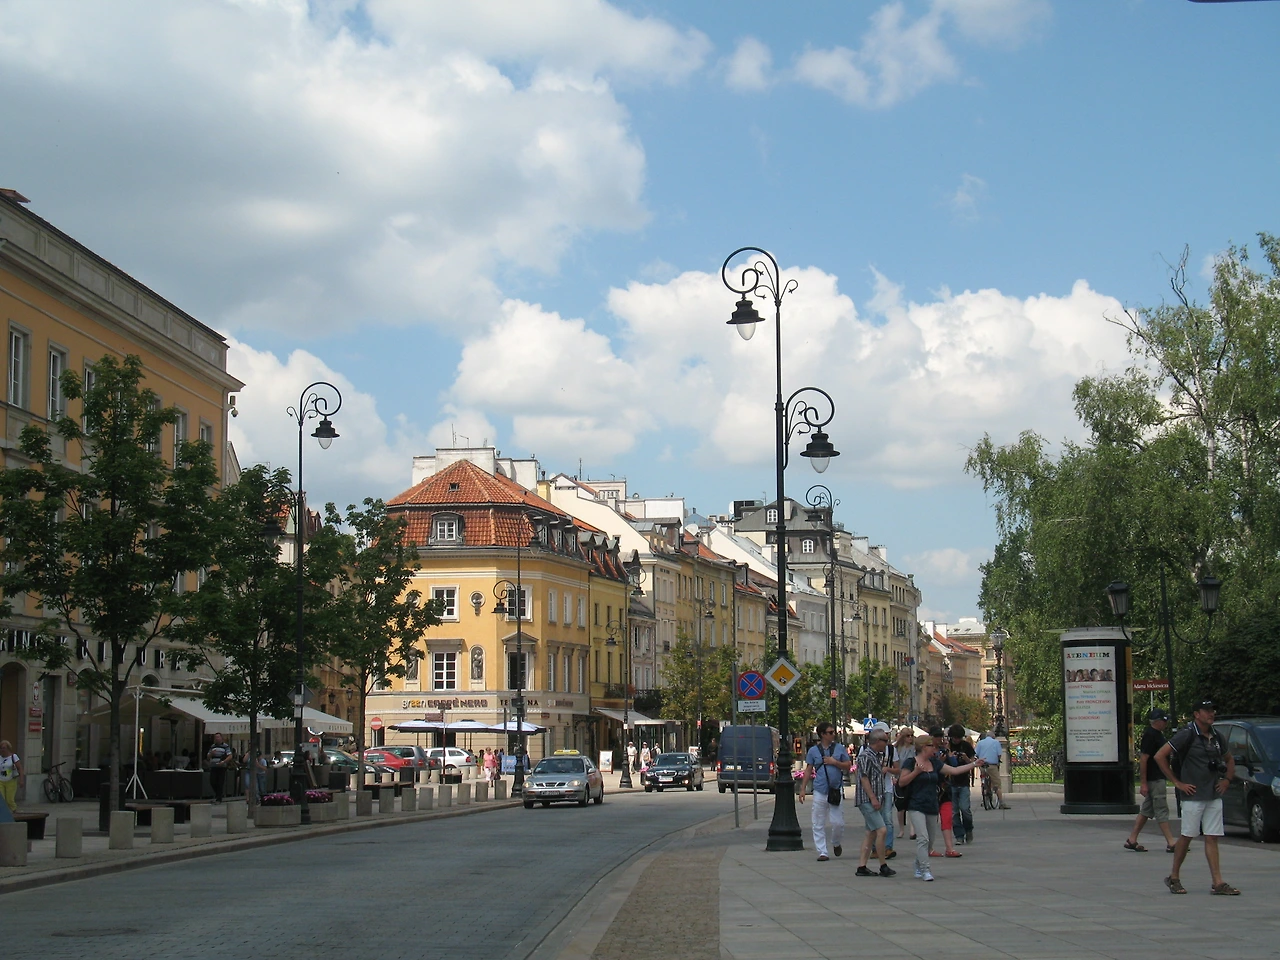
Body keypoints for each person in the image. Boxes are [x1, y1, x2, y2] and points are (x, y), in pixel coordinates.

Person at [1155, 700, 1239, 895]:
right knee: (1187, 836)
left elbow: (1229, 759)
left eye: (1212, 710)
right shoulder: (1187, 734)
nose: (1211, 714)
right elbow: (1160, 756)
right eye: (1206, 710)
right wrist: (1177, 782)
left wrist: (1227, 780)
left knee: (1212, 836)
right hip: (1192, 795)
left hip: (1213, 793)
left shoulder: (1217, 736)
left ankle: (1217, 882)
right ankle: (1174, 876)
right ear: (1196, 714)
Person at [897, 734, 981, 881]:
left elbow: (954, 771)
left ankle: (918, 862)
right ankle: (925, 870)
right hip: (916, 805)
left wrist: (974, 764)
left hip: (932, 805)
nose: (934, 749)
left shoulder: (935, 763)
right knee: (922, 838)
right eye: (931, 746)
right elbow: (902, 782)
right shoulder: (911, 763)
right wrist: (916, 772)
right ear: (923, 747)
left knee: (929, 841)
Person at [798, 722, 852, 862]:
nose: (833, 734)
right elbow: (808, 769)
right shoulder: (813, 751)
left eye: (834, 732)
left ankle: (836, 842)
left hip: (835, 790)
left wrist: (835, 762)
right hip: (820, 790)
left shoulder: (839, 748)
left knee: (838, 822)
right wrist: (803, 789)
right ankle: (822, 851)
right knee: (818, 822)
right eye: (830, 732)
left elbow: (848, 765)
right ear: (822, 734)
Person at [1125, 708, 1176, 853]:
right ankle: (1171, 842)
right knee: (1161, 809)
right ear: (1158, 721)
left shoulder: (1157, 734)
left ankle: (1132, 839)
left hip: (1157, 777)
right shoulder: (1150, 735)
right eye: (1164, 720)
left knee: (1147, 810)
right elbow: (1144, 759)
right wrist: (1143, 782)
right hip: (1155, 778)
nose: (1166, 723)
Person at [853, 727, 896, 877]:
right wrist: (872, 798)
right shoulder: (866, 756)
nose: (887, 743)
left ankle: (862, 866)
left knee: (870, 833)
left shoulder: (876, 756)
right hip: (867, 800)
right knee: (881, 830)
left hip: (875, 798)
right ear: (878, 741)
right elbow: (864, 778)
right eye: (885, 741)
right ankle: (883, 865)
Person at [946, 725, 977, 844]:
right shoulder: (948, 746)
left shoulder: (966, 746)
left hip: (964, 781)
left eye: (958, 738)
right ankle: (959, 835)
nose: (956, 740)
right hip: (951, 782)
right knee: (954, 811)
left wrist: (966, 758)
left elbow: (973, 763)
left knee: (965, 809)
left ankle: (968, 829)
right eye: (954, 738)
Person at [975, 730, 1011, 809]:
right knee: (997, 784)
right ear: (993, 736)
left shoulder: (980, 743)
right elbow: (999, 754)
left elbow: (976, 754)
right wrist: (998, 761)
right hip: (992, 765)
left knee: (984, 780)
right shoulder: (996, 742)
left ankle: (984, 796)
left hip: (982, 765)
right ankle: (1001, 802)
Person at [892, 727, 916, 839]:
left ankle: (912, 829)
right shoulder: (897, 749)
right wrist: (894, 777)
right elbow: (894, 764)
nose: (910, 738)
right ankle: (901, 829)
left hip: (912, 777)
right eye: (907, 736)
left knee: (912, 804)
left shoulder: (914, 748)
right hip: (899, 778)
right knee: (900, 806)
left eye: (911, 735)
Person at [206, 732, 234, 803]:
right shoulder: (213, 746)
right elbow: (208, 757)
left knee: (220, 782)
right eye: (216, 737)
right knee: (212, 781)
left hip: (222, 767)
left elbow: (230, 756)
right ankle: (218, 794)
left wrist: (224, 762)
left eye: (218, 737)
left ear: (221, 738)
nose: (217, 738)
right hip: (213, 766)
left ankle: (219, 798)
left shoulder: (225, 746)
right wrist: (211, 753)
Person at [0, 740, 24, 813]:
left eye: (4, 748)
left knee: (9, 799)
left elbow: (20, 768)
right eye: (1, 748)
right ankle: (4, 812)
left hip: (11, 780)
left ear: (8, 748)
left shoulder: (13, 757)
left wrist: (21, 780)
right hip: (1, 781)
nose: (2, 750)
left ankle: (14, 810)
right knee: (2, 799)